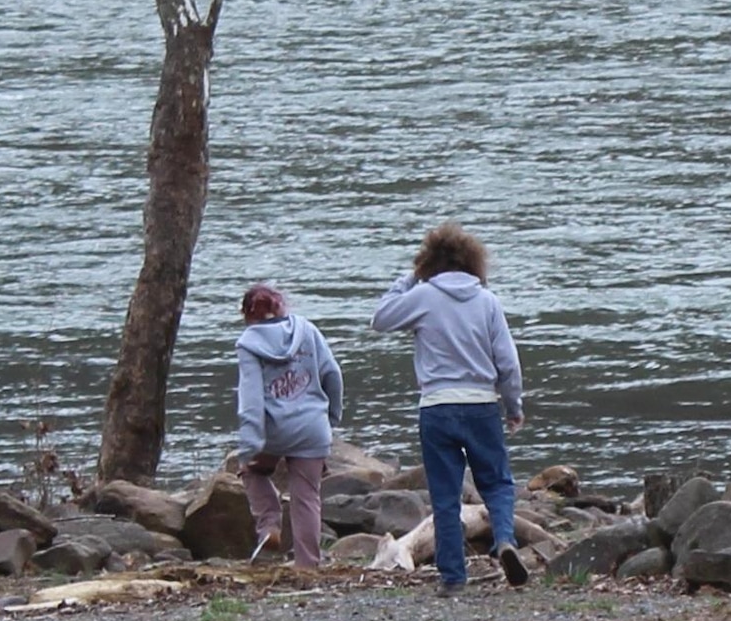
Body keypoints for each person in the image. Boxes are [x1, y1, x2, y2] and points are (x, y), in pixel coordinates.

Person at [370, 225, 530, 592]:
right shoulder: (487, 301)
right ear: (474, 261)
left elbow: (379, 319)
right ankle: (504, 538)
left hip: (437, 407)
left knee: (444, 495)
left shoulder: (423, 296)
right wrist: (513, 404)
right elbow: (508, 362)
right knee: (498, 483)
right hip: (480, 405)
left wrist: (410, 278)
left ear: (430, 261)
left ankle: (453, 577)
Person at [227, 281, 344, 566]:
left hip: (273, 432)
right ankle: (307, 566)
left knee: (253, 471)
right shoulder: (307, 330)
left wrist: (250, 446)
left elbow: (252, 399)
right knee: (307, 499)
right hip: (312, 428)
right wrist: (332, 417)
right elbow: (333, 374)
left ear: (247, 314)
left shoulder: (248, 343)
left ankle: (269, 525)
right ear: (282, 305)